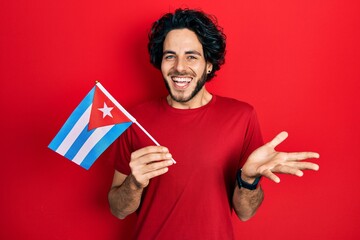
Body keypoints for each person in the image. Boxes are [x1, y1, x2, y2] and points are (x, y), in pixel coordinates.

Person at [108, 8, 320, 240]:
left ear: (209, 64)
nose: (179, 67)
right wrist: (135, 183)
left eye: (191, 56)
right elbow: (118, 210)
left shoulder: (241, 117)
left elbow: (246, 212)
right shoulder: (135, 119)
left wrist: (248, 181)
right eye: (170, 56)